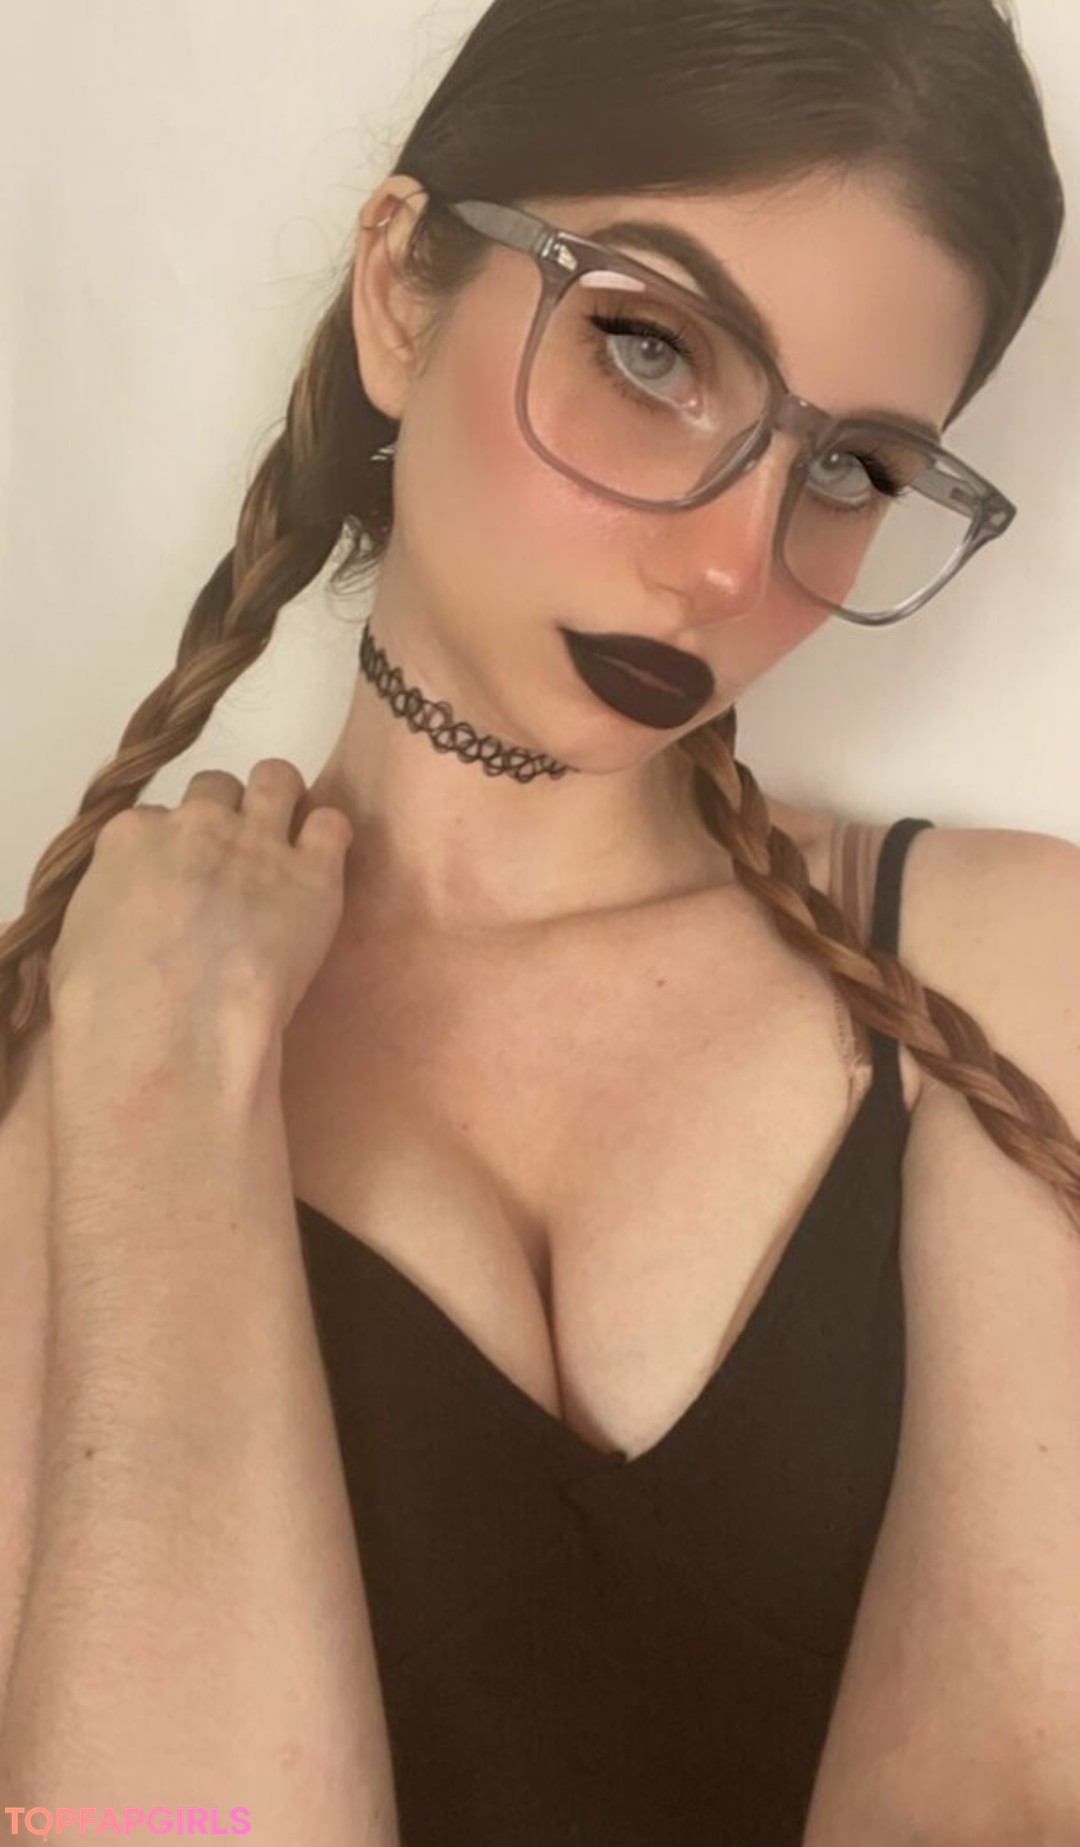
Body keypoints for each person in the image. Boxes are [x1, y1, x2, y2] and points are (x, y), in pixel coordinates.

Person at [1, 1, 1078, 1842]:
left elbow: (1007, 1796)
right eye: (652, 349)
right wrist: (168, 1106)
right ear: (399, 290)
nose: (728, 563)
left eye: (852, 469)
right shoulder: (73, 1056)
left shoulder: (996, 975)